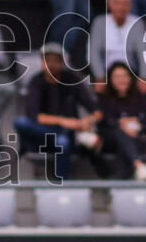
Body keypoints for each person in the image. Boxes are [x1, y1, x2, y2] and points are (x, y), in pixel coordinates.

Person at [14, 43, 102, 182]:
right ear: (42, 63)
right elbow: (34, 115)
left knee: (62, 141)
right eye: (47, 60)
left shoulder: (72, 80)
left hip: (68, 135)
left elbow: (96, 110)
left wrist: (87, 121)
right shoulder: (36, 81)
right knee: (21, 122)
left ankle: (61, 183)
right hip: (42, 134)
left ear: (62, 62)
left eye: (55, 60)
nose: (51, 64)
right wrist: (63, 122)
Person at [97, 61, 146, 180]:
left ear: (130, 78)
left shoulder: (141, 99)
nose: (121, 80)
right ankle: (138, 165)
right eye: (117, 77)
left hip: (136, 139)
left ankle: (122, 187)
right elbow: (102, 123)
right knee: (121, 132)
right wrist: (120, 123)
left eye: (124, 76)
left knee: (127, 141)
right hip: (110, 142)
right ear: (110, 79)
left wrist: (138, 126)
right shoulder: (104, 100)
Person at [89, 0, 146, 92]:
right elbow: (93, 52)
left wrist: (145, 76)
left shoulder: (137, 23)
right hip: (105, 72)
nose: (121, 7)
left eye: (125, 3)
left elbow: (144, 52)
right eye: (117, 3)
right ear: (109, 4)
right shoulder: (99, 22)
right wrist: (99, 76)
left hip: (131, 72)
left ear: (130, 6)